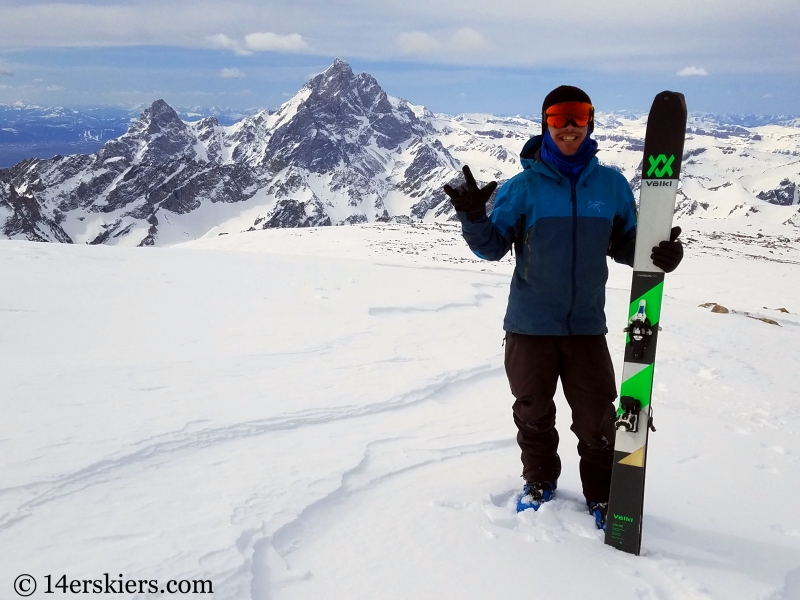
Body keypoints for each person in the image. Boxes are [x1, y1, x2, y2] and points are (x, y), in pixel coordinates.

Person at [442, 85, 683, 529]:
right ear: (545, 123)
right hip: (529, 327)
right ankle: (539, 482)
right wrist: (475, 218)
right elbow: (492, 249)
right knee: (533, 414)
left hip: (586, 327)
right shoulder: (523, 188)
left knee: (597, 422)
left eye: (578, 116)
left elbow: (627, 244)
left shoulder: (609, 185)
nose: (569, 126)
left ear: (591, 121)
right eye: (558, 117)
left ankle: (602, 496)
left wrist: (659, 254)